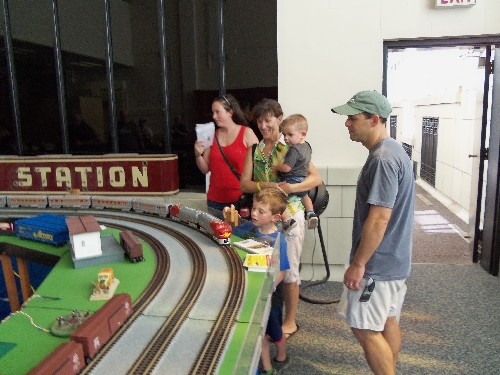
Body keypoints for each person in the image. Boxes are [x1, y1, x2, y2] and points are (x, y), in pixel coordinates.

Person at [331, 90, 415, 375]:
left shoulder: (382, 159)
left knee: (364, 328)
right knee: (387, 321)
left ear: (374, 119)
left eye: (353, 119)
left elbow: (379, 219)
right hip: (394, 261)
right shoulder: (393, 150)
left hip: (378, 266)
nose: (347, 124)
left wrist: (358, 264)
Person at [240, 99, 322, 338]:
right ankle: (268, 317)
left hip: (291, 213)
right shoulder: (254, 150)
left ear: (278, 119)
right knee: (264, 267)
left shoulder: (290, 146)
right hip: (264, 218)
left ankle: (290, 322)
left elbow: (315, 179)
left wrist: (290, 189)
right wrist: (267, 185)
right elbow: (244, 183)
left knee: (290, 270)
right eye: (259, 121)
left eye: (268, 120)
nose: (264, 126)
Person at [225, 187, 291, 374]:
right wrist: (229, 220)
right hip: (252, 289)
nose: (254, 213)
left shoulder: (278, 239)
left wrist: (268, 288)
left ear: (275, 218)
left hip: (271, 294)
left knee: (275, 332)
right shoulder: (248, 228)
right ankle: (268, 369)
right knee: (258, 332)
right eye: (254, 208)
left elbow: (283, 271)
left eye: (261, 211)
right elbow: (232, 234)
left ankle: (282, 356)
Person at [194, 94, 259, 218]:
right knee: (216, 236)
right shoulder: (212, 135)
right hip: (215, 201)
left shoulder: (246, 133)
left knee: (239, 236)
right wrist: (198, 155)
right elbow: (205, 169)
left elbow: (261, 164)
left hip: (240, 200)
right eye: (213, 112)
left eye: (218, 112)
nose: (214, 116)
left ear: (230, 112)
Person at [272, 114, 318, 231]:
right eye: (284, 134)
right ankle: (311, 213)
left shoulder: (294, 150)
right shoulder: (307, 147)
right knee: (305, 196)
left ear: (303, 134)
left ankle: (287, 220)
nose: (286, 138)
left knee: (277, 197)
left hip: (291, 179)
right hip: (303, 179)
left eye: (290, 135)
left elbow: (287, 168)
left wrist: (277, 167)